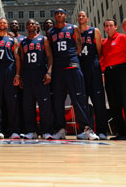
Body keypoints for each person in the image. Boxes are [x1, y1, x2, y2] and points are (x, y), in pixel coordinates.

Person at [48, 8, 99, 140]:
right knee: (58, 101)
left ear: (65, 15)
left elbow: (79, 45)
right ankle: (60, 129)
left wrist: (71, 57)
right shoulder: (50, 32)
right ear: (55, 16)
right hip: (58, 69)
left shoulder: (73, 28)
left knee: (79, 98)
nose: (59, 15)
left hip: (72, 65)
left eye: (61, 13)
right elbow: (50, 52)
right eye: (57, 13)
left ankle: (85, 129)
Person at [101, 19, 126, 140]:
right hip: (109, 73)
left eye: (111, 25)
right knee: (113, 103)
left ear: (116, 27)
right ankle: (120, 132)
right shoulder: (105, 42)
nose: (109, 27)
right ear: (105, 29)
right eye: (106, 26)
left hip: (123, 70)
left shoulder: (122, 38)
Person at [77, 11, 109, 139]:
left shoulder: (94, 31)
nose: (80, 17)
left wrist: (94, 63)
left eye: (83, 16)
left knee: (98, 100)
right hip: (80, 66)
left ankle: (102, 130)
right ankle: (87, 130)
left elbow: (100, 51)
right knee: (83, 100)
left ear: (87, 18)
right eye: (79, 16)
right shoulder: (75, 32)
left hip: (92, 64)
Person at [20, 19, 54, 140]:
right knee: (28, 105)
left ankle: (46, 131)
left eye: (33, 24)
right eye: (28, 24)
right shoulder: (23, 42)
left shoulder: (43, 39)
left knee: (45, 104)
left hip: (40, 73)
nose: (30, 25)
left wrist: (49, 72)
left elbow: (50, 57)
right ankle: (31, 130)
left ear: (36, 26)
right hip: (28, 74)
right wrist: (21, 76)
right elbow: (23, 61)